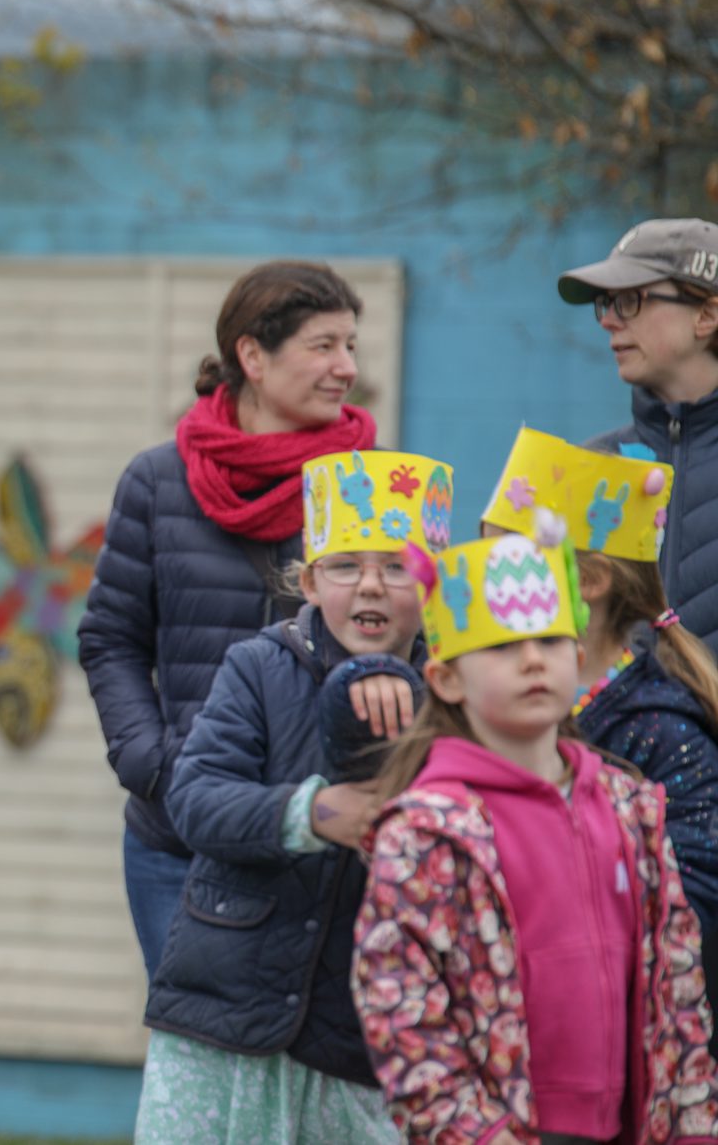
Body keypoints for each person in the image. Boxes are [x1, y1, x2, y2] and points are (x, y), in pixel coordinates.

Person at [354, 529, 718, 1144]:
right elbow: (403, 1010)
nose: (531, 660)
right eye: (502, 646)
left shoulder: (631, 810)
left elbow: (678, 988)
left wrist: (691, 1126)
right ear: (445, 680)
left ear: (576, 657)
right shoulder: (427, 832)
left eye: (549, 640)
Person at [135, 450, 451, 1142]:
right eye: (345, 566)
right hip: (223, 1014)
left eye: (395, 567)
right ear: (309, 582)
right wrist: (309, 813)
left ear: (431, 584)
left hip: (359, 1032)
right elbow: (197, 798)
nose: (369, 586)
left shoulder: (451, 697)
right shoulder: (259, 666)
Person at [79, 260, 376, 980]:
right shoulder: (158, 481)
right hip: (175, 842)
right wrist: (154, 765)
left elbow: (414, 640)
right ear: (252, 355)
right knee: (194, 1063)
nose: (345, 368)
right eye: (324, 345)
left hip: (323, 839)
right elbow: (110, 638)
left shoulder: (371, 485)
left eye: (351, 346)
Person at [478, 425, 718, 984]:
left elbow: (696, 897)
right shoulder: (489, 698)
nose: (489, 582)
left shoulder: (662, 732)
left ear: (588, 581)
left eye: (509, 563)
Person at [560, 218, 718, 655]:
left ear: (706, 315)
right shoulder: (587, 467)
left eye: (630, 300)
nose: (609, 321)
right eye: (606, 303)